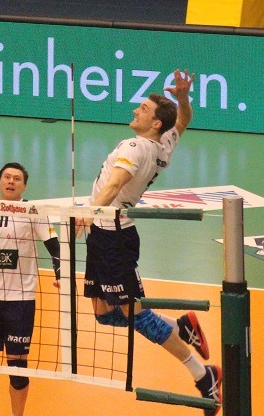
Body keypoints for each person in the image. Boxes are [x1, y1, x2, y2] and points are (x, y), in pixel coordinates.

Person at [75, 69, 222, 416]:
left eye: (142, 109)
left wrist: (85, 212)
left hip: (114, 236)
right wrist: (183, 98)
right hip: (102, 235)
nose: (135, 111)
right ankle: (180, 326)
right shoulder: (162, 144)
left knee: (136, 316)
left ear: (155, 123)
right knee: (103, 315)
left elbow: (114, 184)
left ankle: (204, 376)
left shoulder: (136, 147)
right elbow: (183, 120)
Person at [0, 162, 61, 416]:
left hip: (21, 301)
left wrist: (61, 274)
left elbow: (55, 247)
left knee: (17, 371)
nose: (11, 181)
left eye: (17, 179)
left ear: (24, 186)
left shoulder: (33, 211)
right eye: (7, 177)